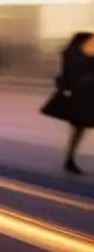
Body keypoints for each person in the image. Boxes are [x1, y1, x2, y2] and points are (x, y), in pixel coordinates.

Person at [41, 31, 94, 174]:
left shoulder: (70, 55)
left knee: (78, 130)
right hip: (86, 97)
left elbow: (65, 76)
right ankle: (69, 160)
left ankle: (69, 159)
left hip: (80, 96)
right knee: (79, 129)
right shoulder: (83, 57)